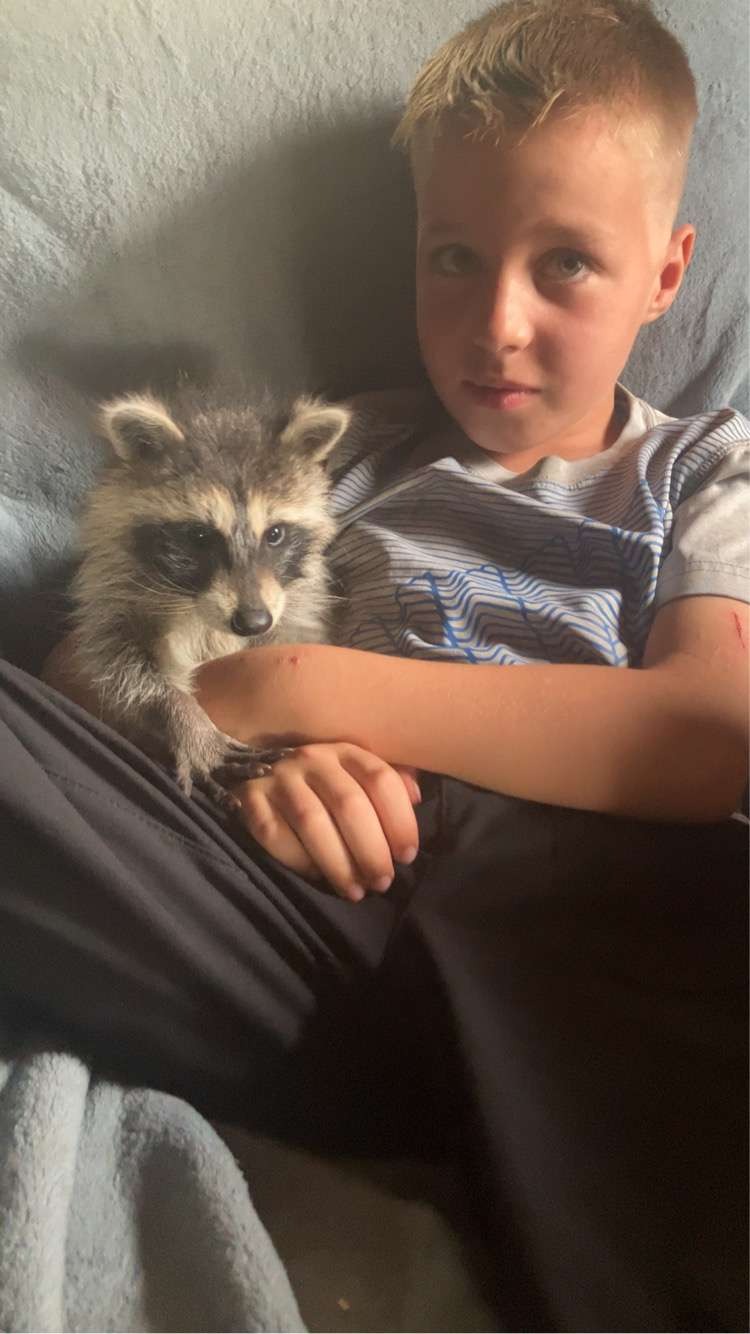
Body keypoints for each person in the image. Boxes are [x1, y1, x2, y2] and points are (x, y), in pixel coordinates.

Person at [3, 0, 748, 1327]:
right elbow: (87, 678)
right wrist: (254, 764)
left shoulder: (700, 465)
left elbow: (702, 740)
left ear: (666, 271)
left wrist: (294, 693)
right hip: (296, 916)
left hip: (562, 916)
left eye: (564, 264)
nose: (495, 321)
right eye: (452, 257)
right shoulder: (340, 454)